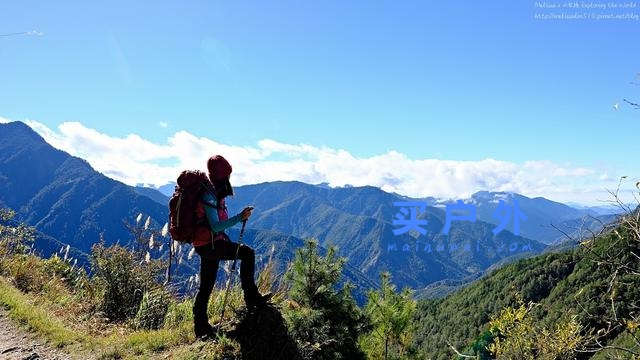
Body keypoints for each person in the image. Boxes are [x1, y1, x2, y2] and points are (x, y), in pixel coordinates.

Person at [192, 154, 272, 338]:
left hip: (207, 244)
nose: (229, 179)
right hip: (210, 245)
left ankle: (201, 327)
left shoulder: (213, 193)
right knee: (247, 253)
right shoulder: (209, 195)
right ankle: (251, 298)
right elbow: (215, 226)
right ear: (221, 175)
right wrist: (239, 218)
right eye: (227, 174)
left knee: (206, 286)